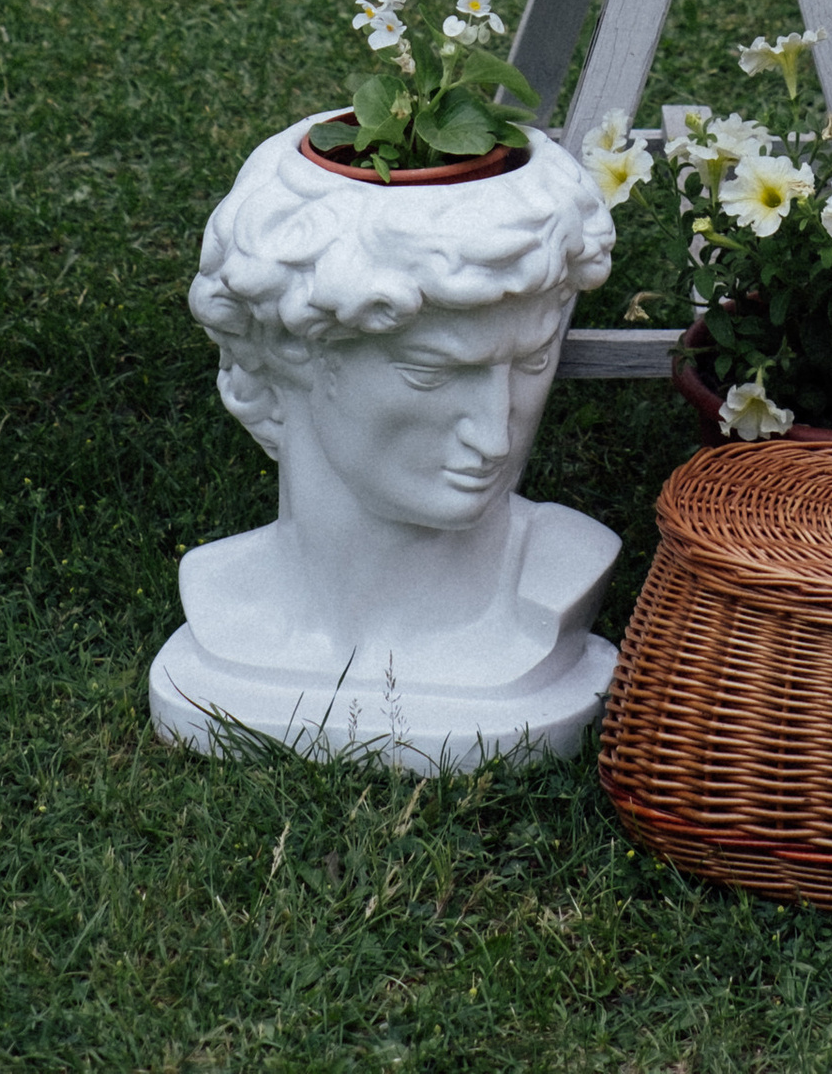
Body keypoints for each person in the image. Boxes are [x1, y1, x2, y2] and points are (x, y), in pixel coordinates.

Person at [148, 117, 619, 767]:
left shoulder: (563, 573)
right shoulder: (218, 594)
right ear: (287, 353)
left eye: (532, 362)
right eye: (429, 372)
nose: (494, 432)